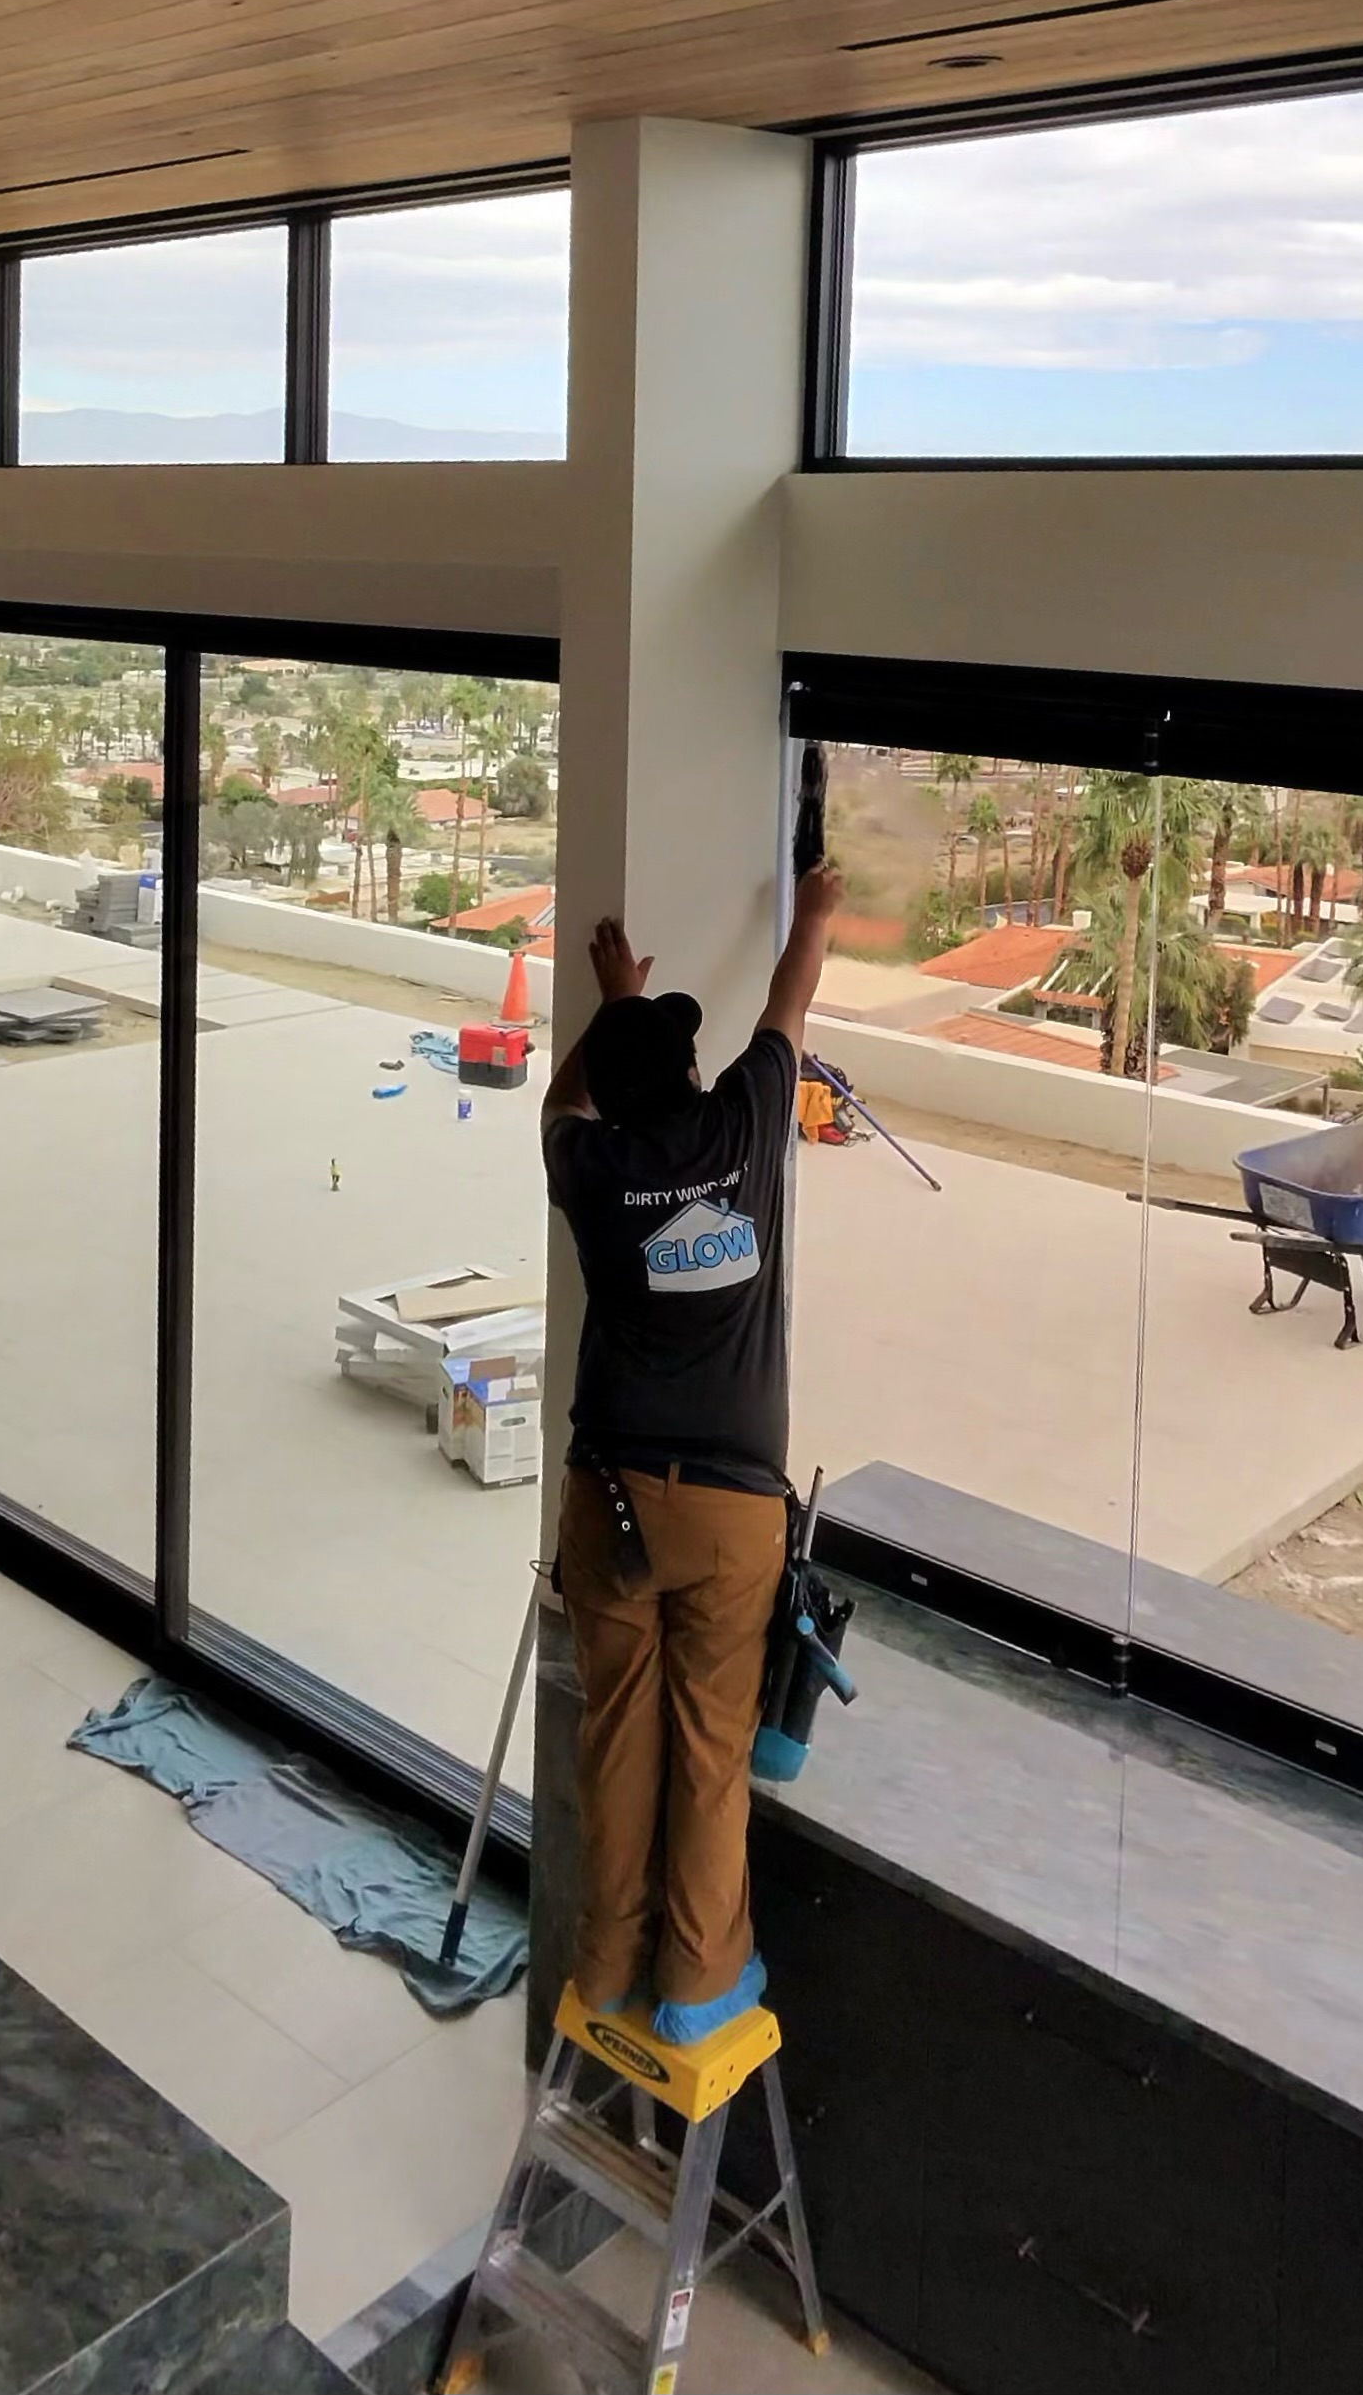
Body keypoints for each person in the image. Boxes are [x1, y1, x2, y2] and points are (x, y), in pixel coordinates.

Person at [541, 860, 843, 2044]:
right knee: (709, 1750)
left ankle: (604, 1966)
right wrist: (812, 911)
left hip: (607, 1499)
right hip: (729, 1516)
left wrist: (605, 1016)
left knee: (614, 1736)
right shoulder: (746, 1121)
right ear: (687, 1072)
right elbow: (789, 1002)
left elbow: (556, 1109)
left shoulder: (592, 1167)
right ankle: (696, 1980)